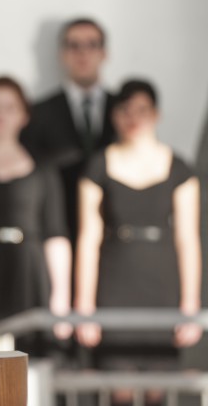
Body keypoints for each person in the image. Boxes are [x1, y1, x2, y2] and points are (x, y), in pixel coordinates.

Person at [75, 80, 202, 403]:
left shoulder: (180, 168)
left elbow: (188, 239)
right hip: (114, 282)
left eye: (141, 109)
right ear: (114, 115)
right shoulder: (99, 166)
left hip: (162, 284)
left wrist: (190, 306)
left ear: (155, 114)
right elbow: (89, 238)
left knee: (159, 390)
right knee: (118, 389)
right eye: (124, 110)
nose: (133, 117)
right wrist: (84, 308)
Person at [0, 77, 71, 337]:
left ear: (24, 115)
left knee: (29, 352)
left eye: (10, 107)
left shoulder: (43, 166)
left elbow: (55, 233)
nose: (0, 114)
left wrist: (61, 299)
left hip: (29, 269)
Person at [21, 18, 116, 242]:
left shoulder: (124, 110)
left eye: (91, 45)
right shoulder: (37, 113)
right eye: (74, 45)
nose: (82, 54)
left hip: (115, 233)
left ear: (104, 53)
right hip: (58, 230)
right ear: (62, 54)